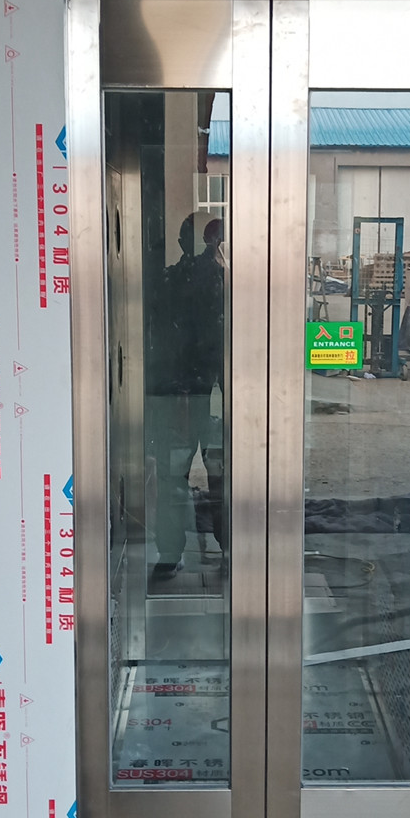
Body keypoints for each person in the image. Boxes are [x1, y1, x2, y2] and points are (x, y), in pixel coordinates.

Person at [146, 211, 226, 581]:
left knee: (172, 478)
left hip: (176, 399)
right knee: (222, 477)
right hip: (215, 397)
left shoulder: (167, 281)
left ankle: (169, 553)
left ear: (181, 242)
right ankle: (230, 550)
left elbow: (153, 342)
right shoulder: (226, 282)